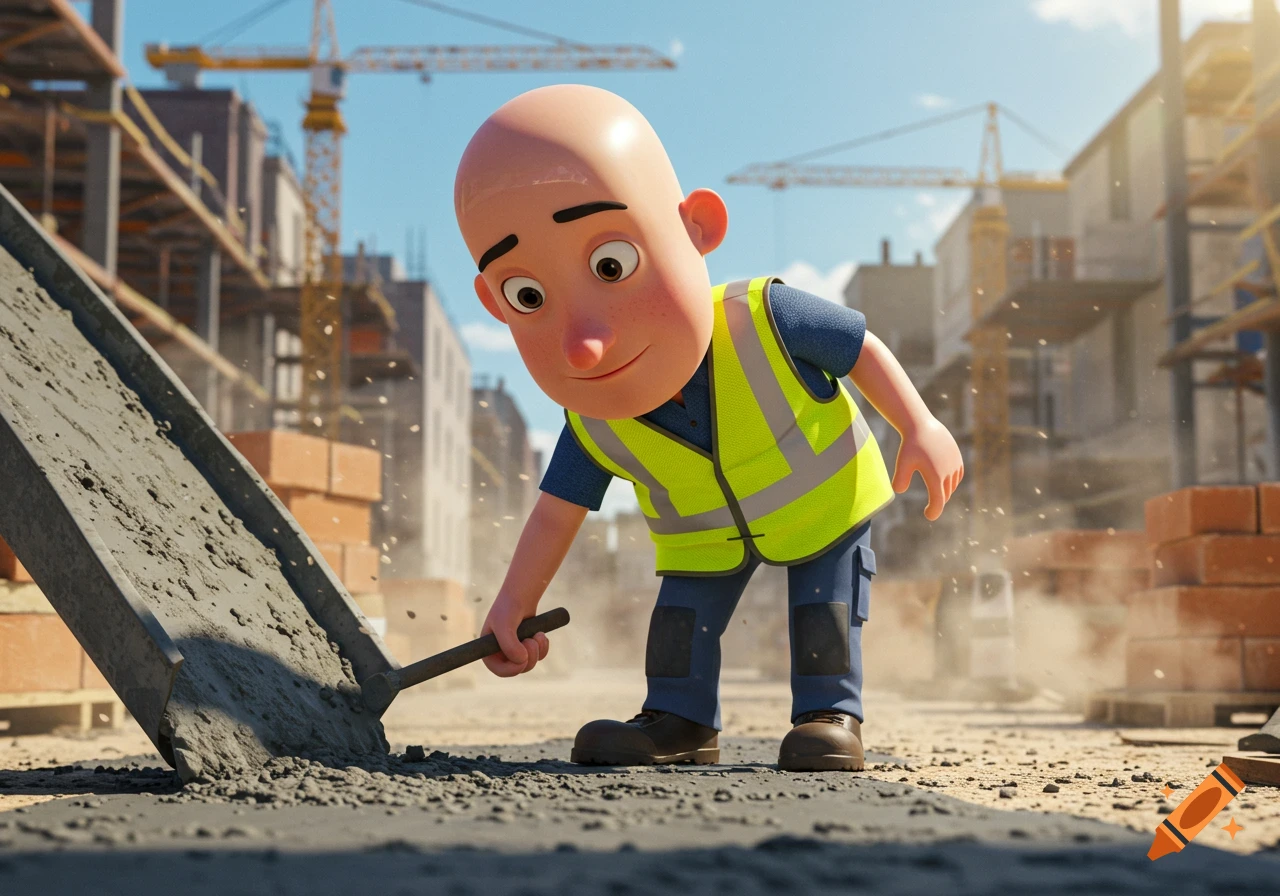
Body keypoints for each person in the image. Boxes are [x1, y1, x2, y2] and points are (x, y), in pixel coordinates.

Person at [454, 84, 963, 771]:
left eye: (612, 265)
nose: (584, 347)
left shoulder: (766, 318)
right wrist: (514, 603)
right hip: (704, 541)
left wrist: (919, 423)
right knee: (679, 626)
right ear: (495, 303)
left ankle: (829, 714)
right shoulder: (594, 417)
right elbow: (557, 512)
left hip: (824, 505)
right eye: (529, 297)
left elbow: (861, 347)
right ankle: (680, 721)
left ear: (698, 226)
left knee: (825, 612)